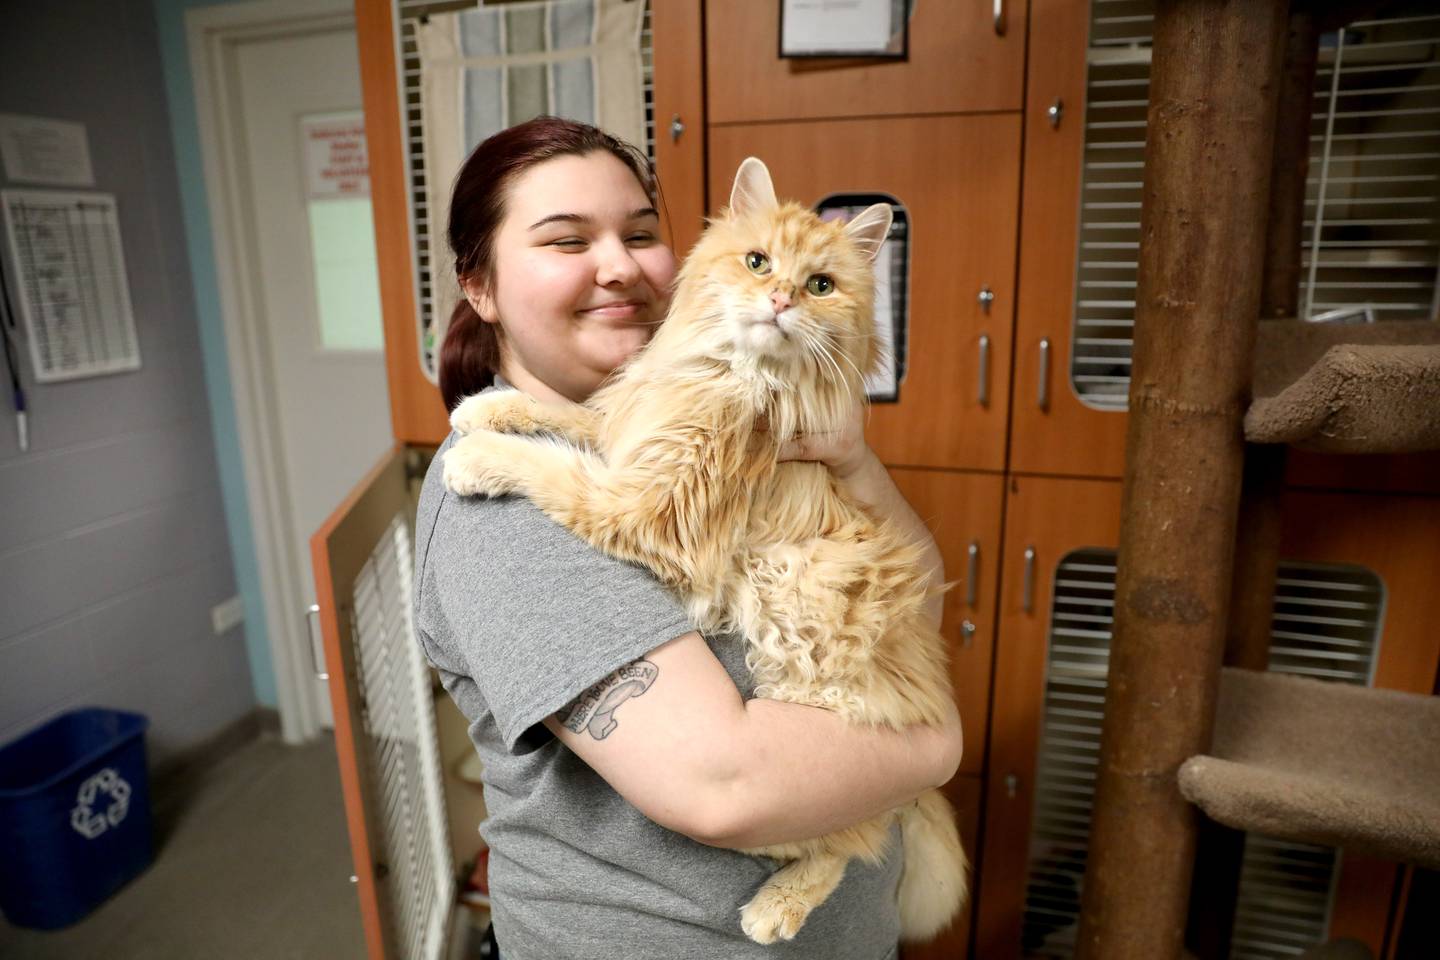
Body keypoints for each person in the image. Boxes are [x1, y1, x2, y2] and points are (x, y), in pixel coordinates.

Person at [412, 116, 963, 960]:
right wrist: (933, 745)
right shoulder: (504, 514)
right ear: (479, 286)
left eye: (640, 233)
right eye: (566, 241)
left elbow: (913, 592)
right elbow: (726, 787)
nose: (620, 266)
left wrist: (856, 465)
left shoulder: (692, 401)